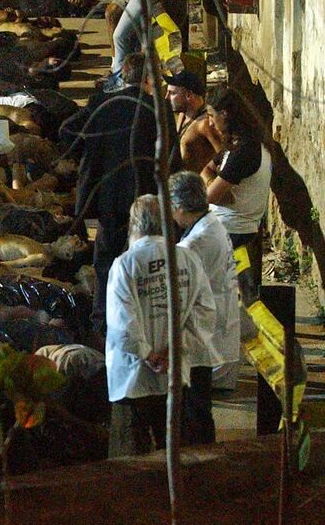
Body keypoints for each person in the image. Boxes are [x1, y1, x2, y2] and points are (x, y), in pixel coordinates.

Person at [106, 195, 215, 456]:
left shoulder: (125, 264)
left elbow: (122, 325)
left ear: (134, 224)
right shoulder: (188, 259)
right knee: (175, 454)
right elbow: (205, 313)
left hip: (133, 379)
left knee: (132, 461)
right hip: (174, 374)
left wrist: (148, 354)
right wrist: (174, 350)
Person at [59, 52, 158, 329]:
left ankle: (102, 321)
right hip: (144, 196)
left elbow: (66, 131)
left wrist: (90, 152)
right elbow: (170, 158)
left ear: (123, 77)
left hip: (107, 195)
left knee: (105, 261)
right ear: (149, 79)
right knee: (142, 259)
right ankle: (139, 320)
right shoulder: (156, 110)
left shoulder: (101, 104)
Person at [169, 170, 239, 441]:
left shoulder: (194, 243)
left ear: (179, 207)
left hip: (201, 332)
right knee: (198, 405)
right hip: (212, 324)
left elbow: (181, 295)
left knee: (195, 408)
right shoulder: (212, 224)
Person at [201, 84, 271, 290]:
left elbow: (209, 197)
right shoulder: (236, 145)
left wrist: (212, 186)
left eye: (211, 116)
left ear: (225, 114)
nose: (210, 123)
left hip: (232, 230)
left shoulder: (244, 151)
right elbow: (206, 169)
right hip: (228, 226)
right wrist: (212, 182)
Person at [164, 69, 223, 172]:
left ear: (188, 95)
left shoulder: (206, 124)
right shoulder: (182, 116)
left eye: (172, 93)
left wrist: (210, 178)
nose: (166, 97)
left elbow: (225, 158)